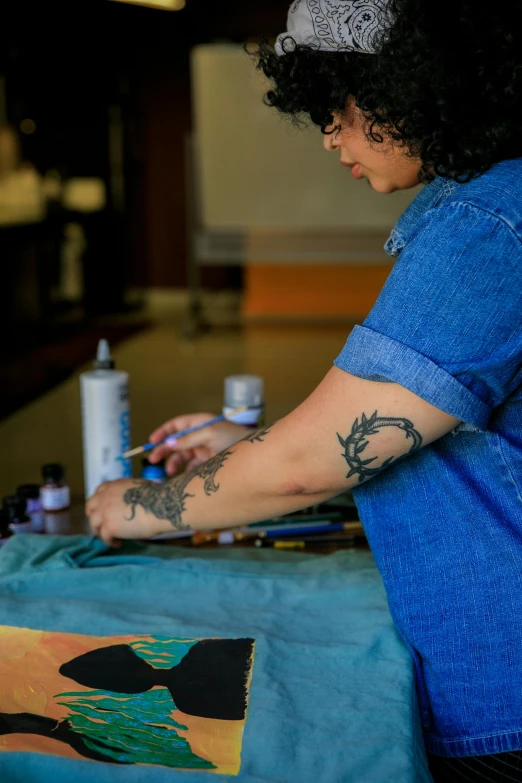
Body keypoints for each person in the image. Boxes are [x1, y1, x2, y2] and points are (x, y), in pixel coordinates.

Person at [86, 1, 522, 779]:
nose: (328, 136)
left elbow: (309, 462)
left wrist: (136, 507)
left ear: (404, 89)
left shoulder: (487, 225)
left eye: (336, 108)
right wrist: (247, 444)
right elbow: (427, 435)